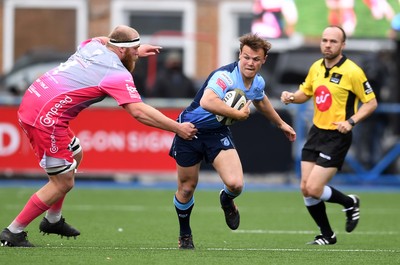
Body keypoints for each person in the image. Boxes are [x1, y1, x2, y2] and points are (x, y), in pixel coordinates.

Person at [0, 25, 197, 247]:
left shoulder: (92, 46)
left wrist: (135, 49)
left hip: (35, 102)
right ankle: (13, 232)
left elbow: (106, 39)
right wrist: (177, 128)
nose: (137, 55)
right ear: (122, 51)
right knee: (62, 183)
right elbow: (139, 112)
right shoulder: (116, 73)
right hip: (45, 118)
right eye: (135, 49)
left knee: (75, 155)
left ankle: (52, 220)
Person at [170, 33, 297, 249]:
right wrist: (236, 114)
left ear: (263, 60)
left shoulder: (257, 81)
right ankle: (185, 234)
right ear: (240, 55)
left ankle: (226, 200)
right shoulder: (225, 76)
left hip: (218, 133)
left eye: (256, 59)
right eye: (246, 57)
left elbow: (261, 99)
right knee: (187, 188)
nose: (250, 62)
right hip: (189, 131)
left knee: (236, 184)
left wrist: (280, 123)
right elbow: (207, 100)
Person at [281, 26, 378, 245]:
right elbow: (305, 93)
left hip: (337, 135)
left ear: (342, 45)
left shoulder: (353, 71)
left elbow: (371, 103)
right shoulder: (316, 67)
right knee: (306, 189)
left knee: (315, 188)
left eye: (333, 41)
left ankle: (349, 202)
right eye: (324, 40)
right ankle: (327, 234)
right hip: (316, 133)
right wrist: (290, 97)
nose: (327, 44)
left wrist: (351, 121)